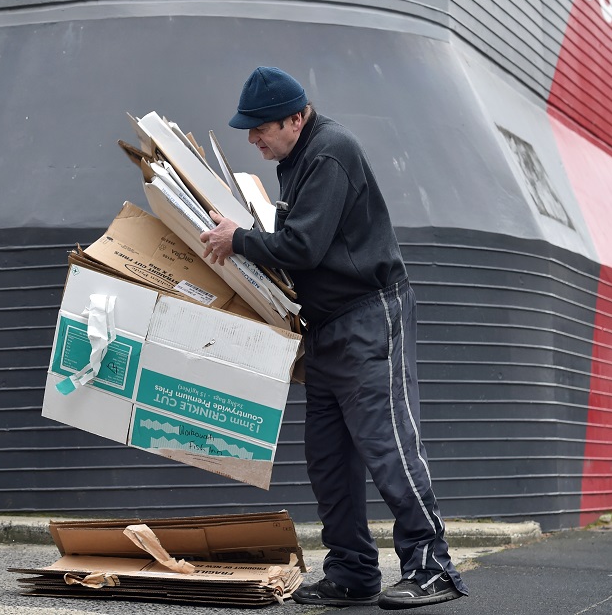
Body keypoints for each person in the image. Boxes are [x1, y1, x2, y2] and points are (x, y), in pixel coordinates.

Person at [200, 66, 467, 609]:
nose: (252, 139)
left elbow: (303, 249)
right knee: (327, 459)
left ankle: (432, 567)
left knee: (388, 447)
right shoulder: (296, 158)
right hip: (325, 327)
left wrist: (241, 239)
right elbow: (299, 240)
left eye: (260, 128)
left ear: (296, 118)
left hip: (369, 316)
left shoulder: (329, 152)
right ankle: (352, 572)